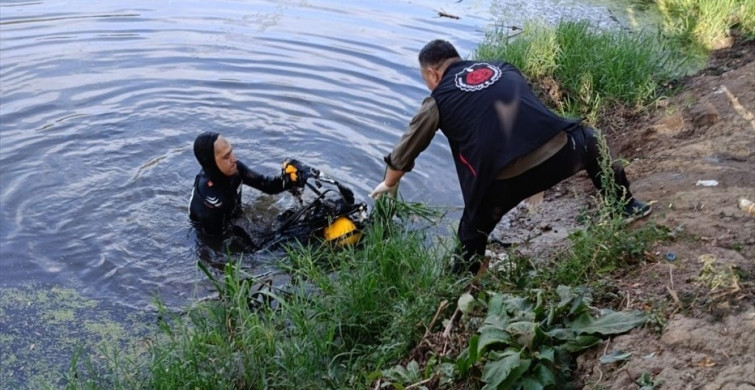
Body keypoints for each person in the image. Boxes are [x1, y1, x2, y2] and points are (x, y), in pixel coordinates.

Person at [369, 39, 651, 274]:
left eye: (426, 81)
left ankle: (461, 284)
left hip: (502, 183)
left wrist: (390, 183)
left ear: (432, 74)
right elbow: (526, 112)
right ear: (458, 59)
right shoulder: (502, 66)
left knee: (470, 232)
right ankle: (625, 206)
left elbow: (406, 150)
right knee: (592, 140)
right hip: (561, 155)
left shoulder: (438, 98)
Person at [189, 132, 302, 245]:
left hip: (232, 216)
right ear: (211, 164)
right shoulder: (211, 203)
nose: (234, 159)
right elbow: (216, 244)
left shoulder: (233, 169)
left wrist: (291, 179)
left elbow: (267, 185)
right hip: (211, 233)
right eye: (226, 157)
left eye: (231, 151)